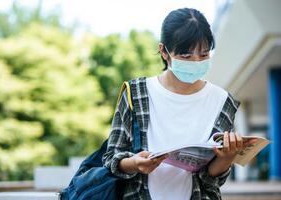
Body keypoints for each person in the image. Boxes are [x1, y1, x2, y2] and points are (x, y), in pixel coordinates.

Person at [102, 8, 251, 200]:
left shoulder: (223, 101)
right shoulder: (135, 93)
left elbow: (212, 179)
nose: (196, 62)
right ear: (164, 51)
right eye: (186, 56)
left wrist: (227, 157)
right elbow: (111, 158)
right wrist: (134, 163)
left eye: (204, 55)